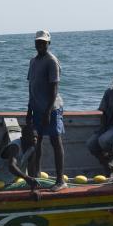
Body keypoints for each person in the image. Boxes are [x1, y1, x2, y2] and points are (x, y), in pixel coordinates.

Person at [26, 30, 66, 191]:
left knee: (56, 142)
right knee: (38, 141)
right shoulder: (33, 61)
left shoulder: (52, 61)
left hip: (52, 108)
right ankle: (36, 175)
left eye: (43, 42)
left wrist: (48, 111)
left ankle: (60, 181)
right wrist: (29, 110)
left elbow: (54, 88)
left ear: (49, 43)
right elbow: (31, 87)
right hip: (36, 108)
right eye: (38, 42)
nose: (40, 45)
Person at [0, 125, 40, 190]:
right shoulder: (14, 147)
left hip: (10, 182)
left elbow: (31, 169)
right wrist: (27, 178)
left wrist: (34, 189)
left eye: (36, 137)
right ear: (23, 137)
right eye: (32, 136)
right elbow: (12, 166)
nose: (35, 139)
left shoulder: (31, 149)